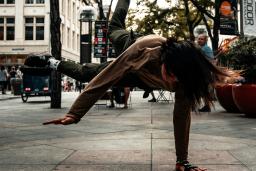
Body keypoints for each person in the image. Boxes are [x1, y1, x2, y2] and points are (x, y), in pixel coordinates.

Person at [24, 1, 227, 170]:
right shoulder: (143, 50)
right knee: (95, 62)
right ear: (165, 62)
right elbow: (105, 79)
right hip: (131, 50)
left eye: (176, 79)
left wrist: (182, 161)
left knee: (95, 73)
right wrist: (76, 113)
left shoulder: (186, 78)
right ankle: (51, 61)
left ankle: (51, 62)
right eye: (169, 74)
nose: (171, 82)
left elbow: (181, 117)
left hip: (142, 78)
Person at [196, 34, 215, 112]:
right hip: (201, 72)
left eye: (201, 39)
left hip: (205, 72)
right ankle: (206, 106)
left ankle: (207, 106)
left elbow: (211, 60)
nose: (199, 40)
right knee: (201, 89)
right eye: (199, 39)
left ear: (206, 40)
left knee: (204, 89)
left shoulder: (206, 48)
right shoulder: (200, 48)